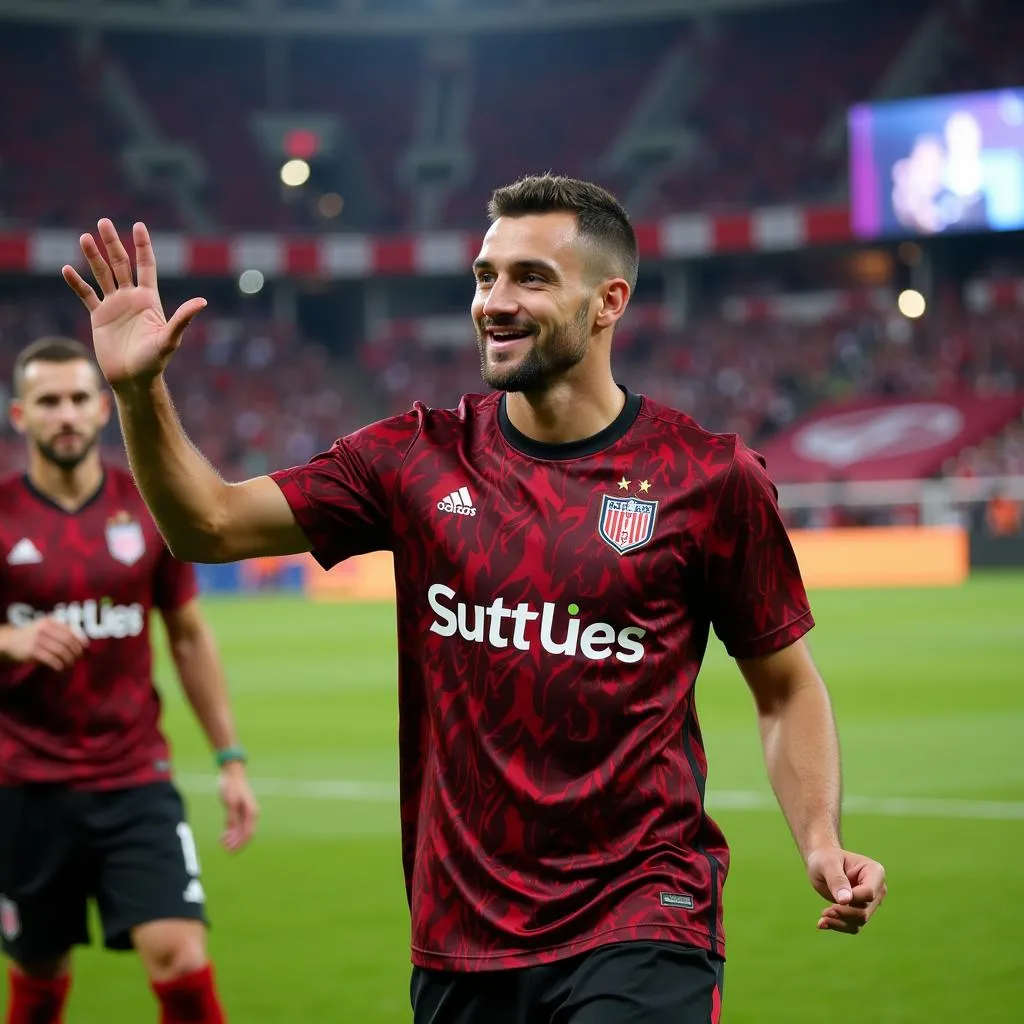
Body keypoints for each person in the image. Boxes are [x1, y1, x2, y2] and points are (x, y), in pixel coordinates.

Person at [63, 175, 887, 1024]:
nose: (494, 300)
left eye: (530, 277)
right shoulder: (415, 457)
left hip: (644, 912)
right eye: (484, 276)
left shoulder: (708, 478)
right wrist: (137, 390)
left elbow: (785, 685)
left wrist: (819, 839)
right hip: (462, 932)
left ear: (608, 301)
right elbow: (208, 523)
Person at [0, 337, 258, 1024]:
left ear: (101, 409)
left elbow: (190, 636)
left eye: (80, 399)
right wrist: (8, 638)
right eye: (48, 401)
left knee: (180, 956)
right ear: (21, 416)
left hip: (133, 779)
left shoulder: (146, 506)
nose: (67, 415)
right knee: (38, 972)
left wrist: (230, 759)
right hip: (24, 786)